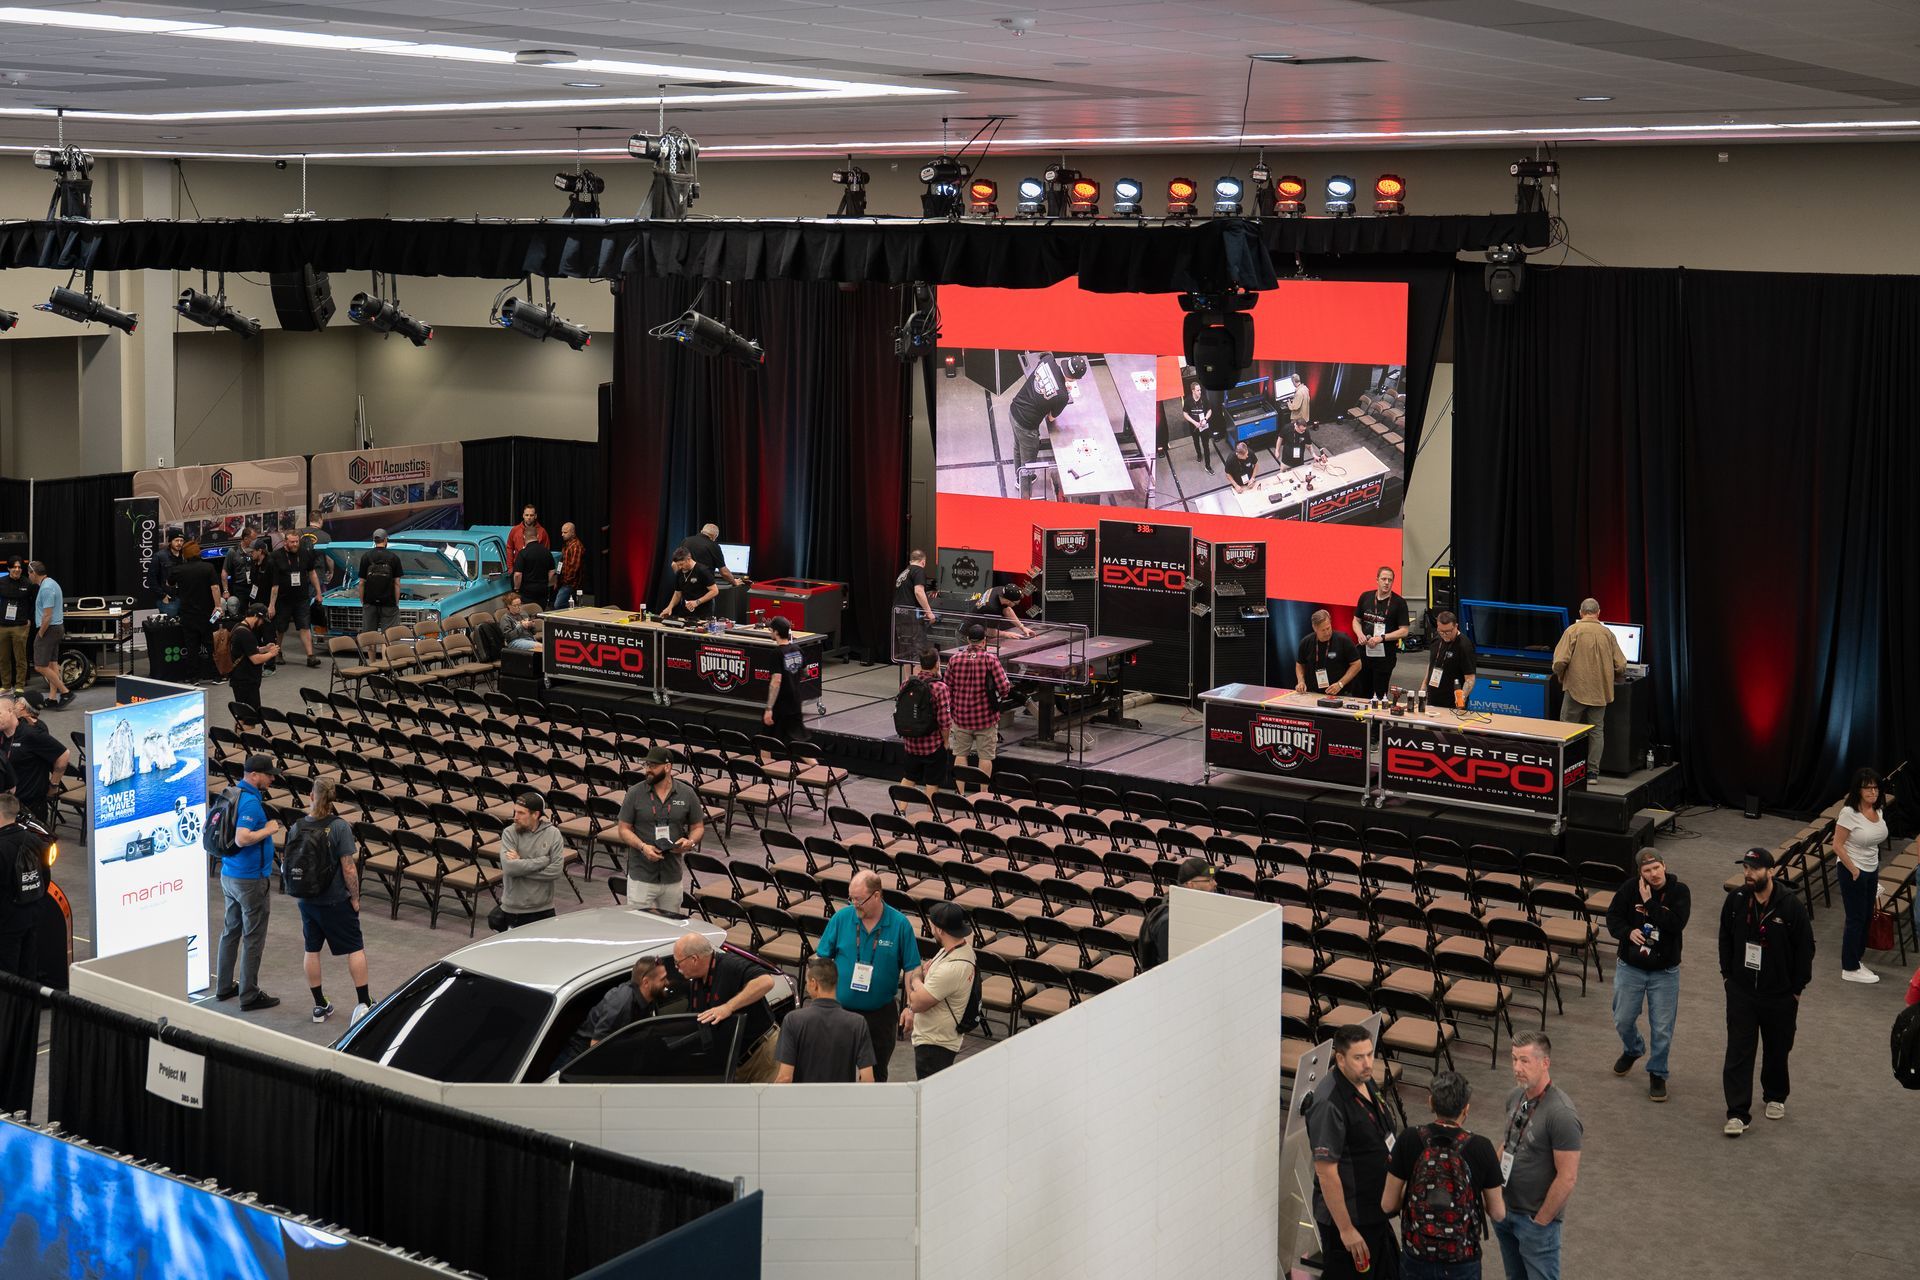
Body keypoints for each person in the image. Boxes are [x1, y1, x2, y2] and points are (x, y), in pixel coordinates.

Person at [1719, 847, 1815, 1135]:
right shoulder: (1736, 900)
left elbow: (1805, 949)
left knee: (1777, 1049)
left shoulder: (1790, 906)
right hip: (1742, 992)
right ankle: (1737, 1113)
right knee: (1738, 1051)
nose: (1749, 874)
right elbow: (1725, 937)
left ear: (1770, 872)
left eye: (1755, 869)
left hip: (1781, 995)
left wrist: (1796, 989)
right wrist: (1727, 977)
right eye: (1746, 868)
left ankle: (1775, 1095)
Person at [1381, 1071, 1506, 1280]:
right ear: (1466, 1109)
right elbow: (1498, 1213)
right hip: (1462, 1258)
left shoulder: (1409, 1138)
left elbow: (1387, 1205)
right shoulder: (1481, 1147)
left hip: (1417, 1255)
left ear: (1431, 1102)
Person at [814, 869, 922, 1082]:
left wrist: (911, 1007)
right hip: (841, 1012)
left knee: (875, 1073)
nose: (854, 904)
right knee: (835, 1072)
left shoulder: (900, 924)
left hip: (880, 1016)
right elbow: (822, 959)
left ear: (877, 896)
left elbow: (912, 968)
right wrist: (821, 998)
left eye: (859, 900)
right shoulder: (842, 918)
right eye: (851, 898)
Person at [1309, 1025, 1399, 1280]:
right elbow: (1326, 1173)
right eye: (1359, 1058)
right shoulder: (1329, 1103)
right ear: (1340, 1058)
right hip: (1349, 1220)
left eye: (1370, 1054)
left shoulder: (1364, 1081)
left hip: (1374, 1211)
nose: (1368, 1063)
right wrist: (1346, 1230)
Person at [1494, 1032, 1582, 1280]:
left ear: (1545, 1063)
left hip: (1535, 1221)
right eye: (1513, 1060)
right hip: (1506, 1212)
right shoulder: (1517, 1097)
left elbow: (1567, 1178)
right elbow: (1509, 1140)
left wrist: (1541, 1222)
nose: (1517, 1068)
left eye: (1524, 1061)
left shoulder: (1561, 1114)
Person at [1605, 849, 1691, 1101]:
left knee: (1662, 1028)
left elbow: (1676, 924)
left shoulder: (1679, 891)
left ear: (1664, 865)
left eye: (1656, 868)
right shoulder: (1629, 888)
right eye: (1647, 871)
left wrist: (1650, 903)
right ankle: (1633, 1049)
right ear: (1639, 873)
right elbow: (1613, 917)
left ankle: (1657, 1072)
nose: (1653, 874)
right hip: (1630, 968)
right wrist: (1626, 932)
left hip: (1664, 972)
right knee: (1622, 1019)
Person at [291, 774, 371, 1025]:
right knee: (355, 948)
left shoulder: (296, 826)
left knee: (311, 949)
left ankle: (319, 1005)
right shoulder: (339, 827)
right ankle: (364, 1002)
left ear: (311, 796)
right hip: (335, 900)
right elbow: (349, 868)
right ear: (333, 798)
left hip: (306, 900)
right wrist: (355, 899)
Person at [216, 753, 282, 1011]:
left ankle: (223, 987)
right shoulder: (251, 804)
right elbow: (243, 838)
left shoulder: (232, 794)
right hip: (249, 880)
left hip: (229, 874)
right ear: (254, 775)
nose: (271, 779)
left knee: (230, 931)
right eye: (268, 775)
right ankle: (249, 995)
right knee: (253, 936)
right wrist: (269, 830)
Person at [675, 931, 779, 1084]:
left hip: (761, 1054)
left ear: (694, 959)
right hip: (734, 1063)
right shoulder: (695, 982)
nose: (677, 968)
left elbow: (766, 981)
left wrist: (728, 1007)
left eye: (678, 963)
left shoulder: (729, 965)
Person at [616, 745, 703, 912]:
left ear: (668, 767)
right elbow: (623, 829)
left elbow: (698, 827)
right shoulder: (635, 793)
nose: (648, 770)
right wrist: (643, 847)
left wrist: (690, 842)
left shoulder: (687, 794)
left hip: (672, 875)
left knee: (671, 927)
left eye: (653, 766)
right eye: (647, 765)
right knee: (639, 927)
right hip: (641, 875)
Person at [775, 958, 878, 1084]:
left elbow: (785, 1077)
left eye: (807, 982)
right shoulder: (858, 1023)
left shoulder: (793, 1020)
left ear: (814, 983)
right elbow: (868, 1079)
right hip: (841, 1101)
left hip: (803, 1101)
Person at [1550, 598, 1624, 773]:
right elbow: (1621, 664)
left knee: (1567, 729)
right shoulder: (1608, 634)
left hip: (1576, 689)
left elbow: (1559, 661)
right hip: (1600, 692)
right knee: (1597, 731)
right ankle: (1592, 773)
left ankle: (1566, 770)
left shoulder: (1572, 631)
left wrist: (1561, 674)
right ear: (1598, 612)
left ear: (1581, 613)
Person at [903, 902, 975, 1078]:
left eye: (932, 925)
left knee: (929, 1096)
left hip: (935, 1044)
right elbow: (923, 972)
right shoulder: (955, 949)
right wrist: (921, 979)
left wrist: (915, 978)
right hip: (935, 1040)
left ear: (941, 930)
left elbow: (918, 1001)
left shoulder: (952, 967)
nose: (930, 928)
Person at [1006, 352, 1089, 500]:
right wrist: (1061, 392)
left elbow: (1041, 356)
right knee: (1028, 463)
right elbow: (1051, 417)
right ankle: (1024, 493)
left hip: (1014, 410)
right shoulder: (1063, 396)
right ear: (1074, 378)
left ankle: (1019, 478)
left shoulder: (1049, 360)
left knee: (1018, 446)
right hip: (1027, 426)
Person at [1836, 766, 1891, 983]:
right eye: (1868, 789)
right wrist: (1854, 870)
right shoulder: (1849, 813)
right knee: (1855, 919)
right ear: (1858, 790)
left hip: (1871, 868)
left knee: (1867, 917)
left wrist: (1872, 869)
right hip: (1853, 870)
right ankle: (1849, 967)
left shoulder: (1878, 809)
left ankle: (1857, 960)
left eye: (1876, 788)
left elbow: (1875, 841)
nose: (1873, 792)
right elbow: (1837, 845)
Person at [562, 956, 671, 1066]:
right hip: (574, 1061)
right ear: (646, 982)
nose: (667, 982)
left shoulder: (649, 997)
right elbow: (596, 1046)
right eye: (663, 979)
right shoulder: (622, 1003)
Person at [945, 622, 1012, 788]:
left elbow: (947, 687)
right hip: (986, 718)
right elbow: (1004, 687)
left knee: (960, 755)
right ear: (984, 641)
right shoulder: (991, 659)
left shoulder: (955, 659)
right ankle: (983, 795)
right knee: (985, 757)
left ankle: (960, 794)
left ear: (968, 639)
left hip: (960, 717)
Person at [495, 792, 564, 930]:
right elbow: (510, 868)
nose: (515, 817)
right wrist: (544, 861)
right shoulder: (509, 833)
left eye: (521, 813)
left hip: (544, 908)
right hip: (514, 909)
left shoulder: (553, 834)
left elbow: (556, 871)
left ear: (536, 815)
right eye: (515, 812)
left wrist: (521, 864)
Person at [1138, 857, 1217, 971]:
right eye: (1208, 880)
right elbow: (1169, 970)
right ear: (1190, 885)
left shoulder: (1190, 910)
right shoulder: (1169, 921)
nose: (1215, 883)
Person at [0, 699, 67, 828]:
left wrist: (54, 784)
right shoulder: (2, 735)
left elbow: (64, 754)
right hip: (7, 806)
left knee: (34, 845)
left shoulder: (31, 734)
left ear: (10, 711)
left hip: (31, 805)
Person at [896, 648, 953, 793]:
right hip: (932, 745)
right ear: (937, 664)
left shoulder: (906, 683)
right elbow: (944, 720)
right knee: (932, 783)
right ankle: (932, 814)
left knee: (909, 778)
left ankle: (900, 811)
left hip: (911, 743)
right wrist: (946, 742)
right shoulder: (940, 687)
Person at [0, 795, 44, 979]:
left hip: (6, 920)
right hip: (31, 914)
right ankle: (29, 1007)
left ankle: (9, 1008)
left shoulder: (2, 847)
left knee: (7, 975)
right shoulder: (35, 841)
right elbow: (45, 878)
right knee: (28, 968)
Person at [267, 530, 325, 669]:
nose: (295, 544)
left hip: (302, 598)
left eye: (297, 541)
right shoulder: (276, 556)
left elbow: (312, 573)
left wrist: (318, 592)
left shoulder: (305, 553)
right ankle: (277, 652)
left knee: (305, 626)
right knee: (281, 628)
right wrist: (271, 605)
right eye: (292, 542)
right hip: (283, 599)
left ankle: (310, 656)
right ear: (285, 542)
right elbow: (274, 585)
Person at [170, 539, 224, 684]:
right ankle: (216, 676)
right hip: (209, 615)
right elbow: (215, 588)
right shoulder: (208, 567)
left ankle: (193, 677)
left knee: (191, 647)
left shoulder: (178, 570)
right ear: (198, 552)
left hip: (187, 615)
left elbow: (169, 583)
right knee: (212, 645)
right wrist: (218, 606)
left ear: (185, 555)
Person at [1352, 566, 1410, 699]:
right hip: (1364, 653)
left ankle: (1377, 720)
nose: (1386, 582)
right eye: (1383, 579)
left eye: (1390, 580)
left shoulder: (1399, 603)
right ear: (1377, 580)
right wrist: (1359, 634)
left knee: (1379, 695)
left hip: (1384, 656)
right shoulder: (1365, 597)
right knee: (1360, 692)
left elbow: (1404, 631)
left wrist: (1382, 638)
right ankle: (1359, 719)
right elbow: (1356, 620)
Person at [26, 562, 69, 708]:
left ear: (33, 573)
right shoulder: (51, 583)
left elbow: (47, 616)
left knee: (39, 666)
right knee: (52, 664)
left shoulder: (46, 588)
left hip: (49, 629)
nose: (28, 577)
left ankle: (65, 692)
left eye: (29, 573)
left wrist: (40, 633)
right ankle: (51, 698)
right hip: (55, 629)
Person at [225, 603, 278, 721]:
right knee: (250, 719)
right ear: (255, 616)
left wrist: (264, 649)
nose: (262, 623)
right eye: (262, 619)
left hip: (239, 679)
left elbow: (247, 651)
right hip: (246, 682)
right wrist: (271, 654)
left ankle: (239, 739)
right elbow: (255, 659)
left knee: (241, 717)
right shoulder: (246, 634)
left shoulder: (238, 627)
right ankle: (247, 739)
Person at [1296, 609, 1362, 697]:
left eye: (1328, 628)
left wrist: (1340, 684)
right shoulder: (1306, 642)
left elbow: (1357, 664)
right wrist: (1301, 681)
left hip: (1340, 694)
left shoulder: (1343, 640)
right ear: (1315, 628)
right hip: (1313, 693)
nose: (1327, 632)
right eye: (1323, 630)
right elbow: (1300, 664)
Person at [763, 616, 807, 742]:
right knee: (797, 740)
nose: (770, 632)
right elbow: (806, 672)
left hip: (781, 704)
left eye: (771, 630)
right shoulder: (798, 649)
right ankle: (814, 763)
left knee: (765, 740)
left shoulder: (776, 653)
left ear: (776, 632)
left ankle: (765, 762)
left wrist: (769, 708)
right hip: (796, 702)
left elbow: (776, 681)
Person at [1425, 610, 1477, 709]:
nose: (1444, 635)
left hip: (1452, 700)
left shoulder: (1464, 646)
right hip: (1433, 696)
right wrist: (1424, 686)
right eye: (1441, 631)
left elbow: (1470, 678)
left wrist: (1462, 697)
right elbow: (1432, 664)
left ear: (1456, 626)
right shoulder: (1436, 639)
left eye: (1448, 631)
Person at [357, 529, 405, 635]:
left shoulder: (366, 557)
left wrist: (363, 602)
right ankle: (385, 652)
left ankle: (371, 652)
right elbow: (397, 583)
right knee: (387, 636)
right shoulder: (394, 558)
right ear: (386, 540)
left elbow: (361, 583)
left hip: (370, 602)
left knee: (370, 637)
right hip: (389, 603)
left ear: (374, 540)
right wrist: (396, 602)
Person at [891, 549, 937, 654]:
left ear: (911, 561)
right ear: (923, 562)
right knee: (918, 649)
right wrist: (929, 612)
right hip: (911, 616)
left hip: (899, 614)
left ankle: (909, 672)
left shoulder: (904, 573)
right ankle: (918, 671)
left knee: (906, 649)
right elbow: (919, 592)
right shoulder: (918, 570)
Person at [0, 560, 34, 694]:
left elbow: (33, 602)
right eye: (14, 567)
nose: (17, 569)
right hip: (3, 626)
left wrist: (30, 618)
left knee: (20, 657)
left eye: (19, 567)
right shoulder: (1, 582)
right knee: (3, 658)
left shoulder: (27, 583)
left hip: (20, 626)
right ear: (8, 568)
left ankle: (20, 685)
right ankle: (6, 685)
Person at [663, 545, 718, 622]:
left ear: (688, 559)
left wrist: (697, 602)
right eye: (678, 565)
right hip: (685, 613)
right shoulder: (679, 573)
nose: (679, 567)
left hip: (702, 614)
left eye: (681, 564)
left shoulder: (702, 570)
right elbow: (677, 593)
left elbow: (714, 591)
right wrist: (669, 607)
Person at [1180, 382, 1222, 474]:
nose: (1200, 391)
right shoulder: (1188, 401)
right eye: (1198, 390)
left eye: (1200, 389)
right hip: (1194, 427)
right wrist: (1194, 422)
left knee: (1206, 446)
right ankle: (1199, 455)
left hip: (1204, 427)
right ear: (1193, 391)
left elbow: (1209, 410)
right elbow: (1185, 413)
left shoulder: (1204, 398)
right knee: (1196, 442)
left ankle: (1208, 466)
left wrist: (1205, 419)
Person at [513, 530, 558, 610]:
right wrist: (545, 582)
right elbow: (552, 571)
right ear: (537, 536)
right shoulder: (547, 552)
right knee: (540, 613)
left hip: (527, 591)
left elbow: (517, 574)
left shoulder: (523, 553)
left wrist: (517, 588)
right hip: (542, 590)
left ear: (524, 537)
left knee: (527, 615)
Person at [150, 531, 185, 616]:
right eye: (176, 540)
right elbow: (151, 579)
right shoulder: (159, 556)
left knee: (184, 626)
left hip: (184, 597)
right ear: (170, 541)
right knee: (170, 626)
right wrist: (162, 595)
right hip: (168, 598)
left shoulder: (185, 556)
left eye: (181, 540)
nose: (179, 543)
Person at [504, 503, 549, 569]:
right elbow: (509, 549)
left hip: (536, 569)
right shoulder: (515, 530)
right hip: (518, 568)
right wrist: (510, 568)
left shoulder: (542, 532)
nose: (529, 517)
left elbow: (546, 552)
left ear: (535, 516)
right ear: (523, 515)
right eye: (527, 515)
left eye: (531, 515)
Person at [555, 521, 585, 609]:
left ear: (572, 533)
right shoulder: (566, 545)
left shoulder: (576, 546)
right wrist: (557, 579)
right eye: (562, 532)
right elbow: (561, 563)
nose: (562, 534)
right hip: (564, 582)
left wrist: (565, 581)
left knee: (558, 605)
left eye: (565, 532)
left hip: (571, 584)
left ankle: (577, 609)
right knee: (560, 604)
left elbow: (574, 568)